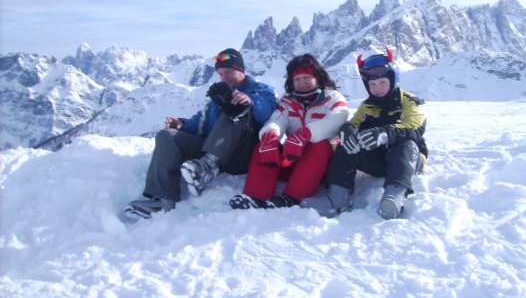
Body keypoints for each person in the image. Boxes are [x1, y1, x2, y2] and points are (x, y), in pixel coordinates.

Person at [123, 48, 277, 220]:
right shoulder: (219, 95)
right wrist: (182, 124)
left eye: (228, 72)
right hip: (215, 148)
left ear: (241, 70)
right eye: (220, 74)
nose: (224, 77)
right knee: (167, 136)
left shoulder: (261, 90)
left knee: (235, 110)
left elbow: (269, 112)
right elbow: (201, 123)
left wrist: (249, 101)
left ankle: (208, 167)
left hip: (242, 155)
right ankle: (163, 199)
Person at [301, 49, 427, 219]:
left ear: (392, 80)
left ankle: (394, 197)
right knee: (346, 144)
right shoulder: (367, 106)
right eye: (372, 85)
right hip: (379, 161)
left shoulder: (408, 102)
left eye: (382, 83)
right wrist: (347, 131)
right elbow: (353, 123)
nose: (377, 89)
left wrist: (385, 133)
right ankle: (338, 199)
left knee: (406, 144)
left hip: (409, 161)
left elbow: (415, 127)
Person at [229, 54, 349, 209]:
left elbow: (337, 120)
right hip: (295, 160)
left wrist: (304, 134)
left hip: (325, 167)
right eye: (297, 79)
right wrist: (270, 136)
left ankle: (293, 197)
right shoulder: (288, 101)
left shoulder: (333, 98)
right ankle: (255, 196)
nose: (302, 83)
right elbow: (276, 121)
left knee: (319, 145)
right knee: (264, 146)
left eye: (306, 78)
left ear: (317, 77)